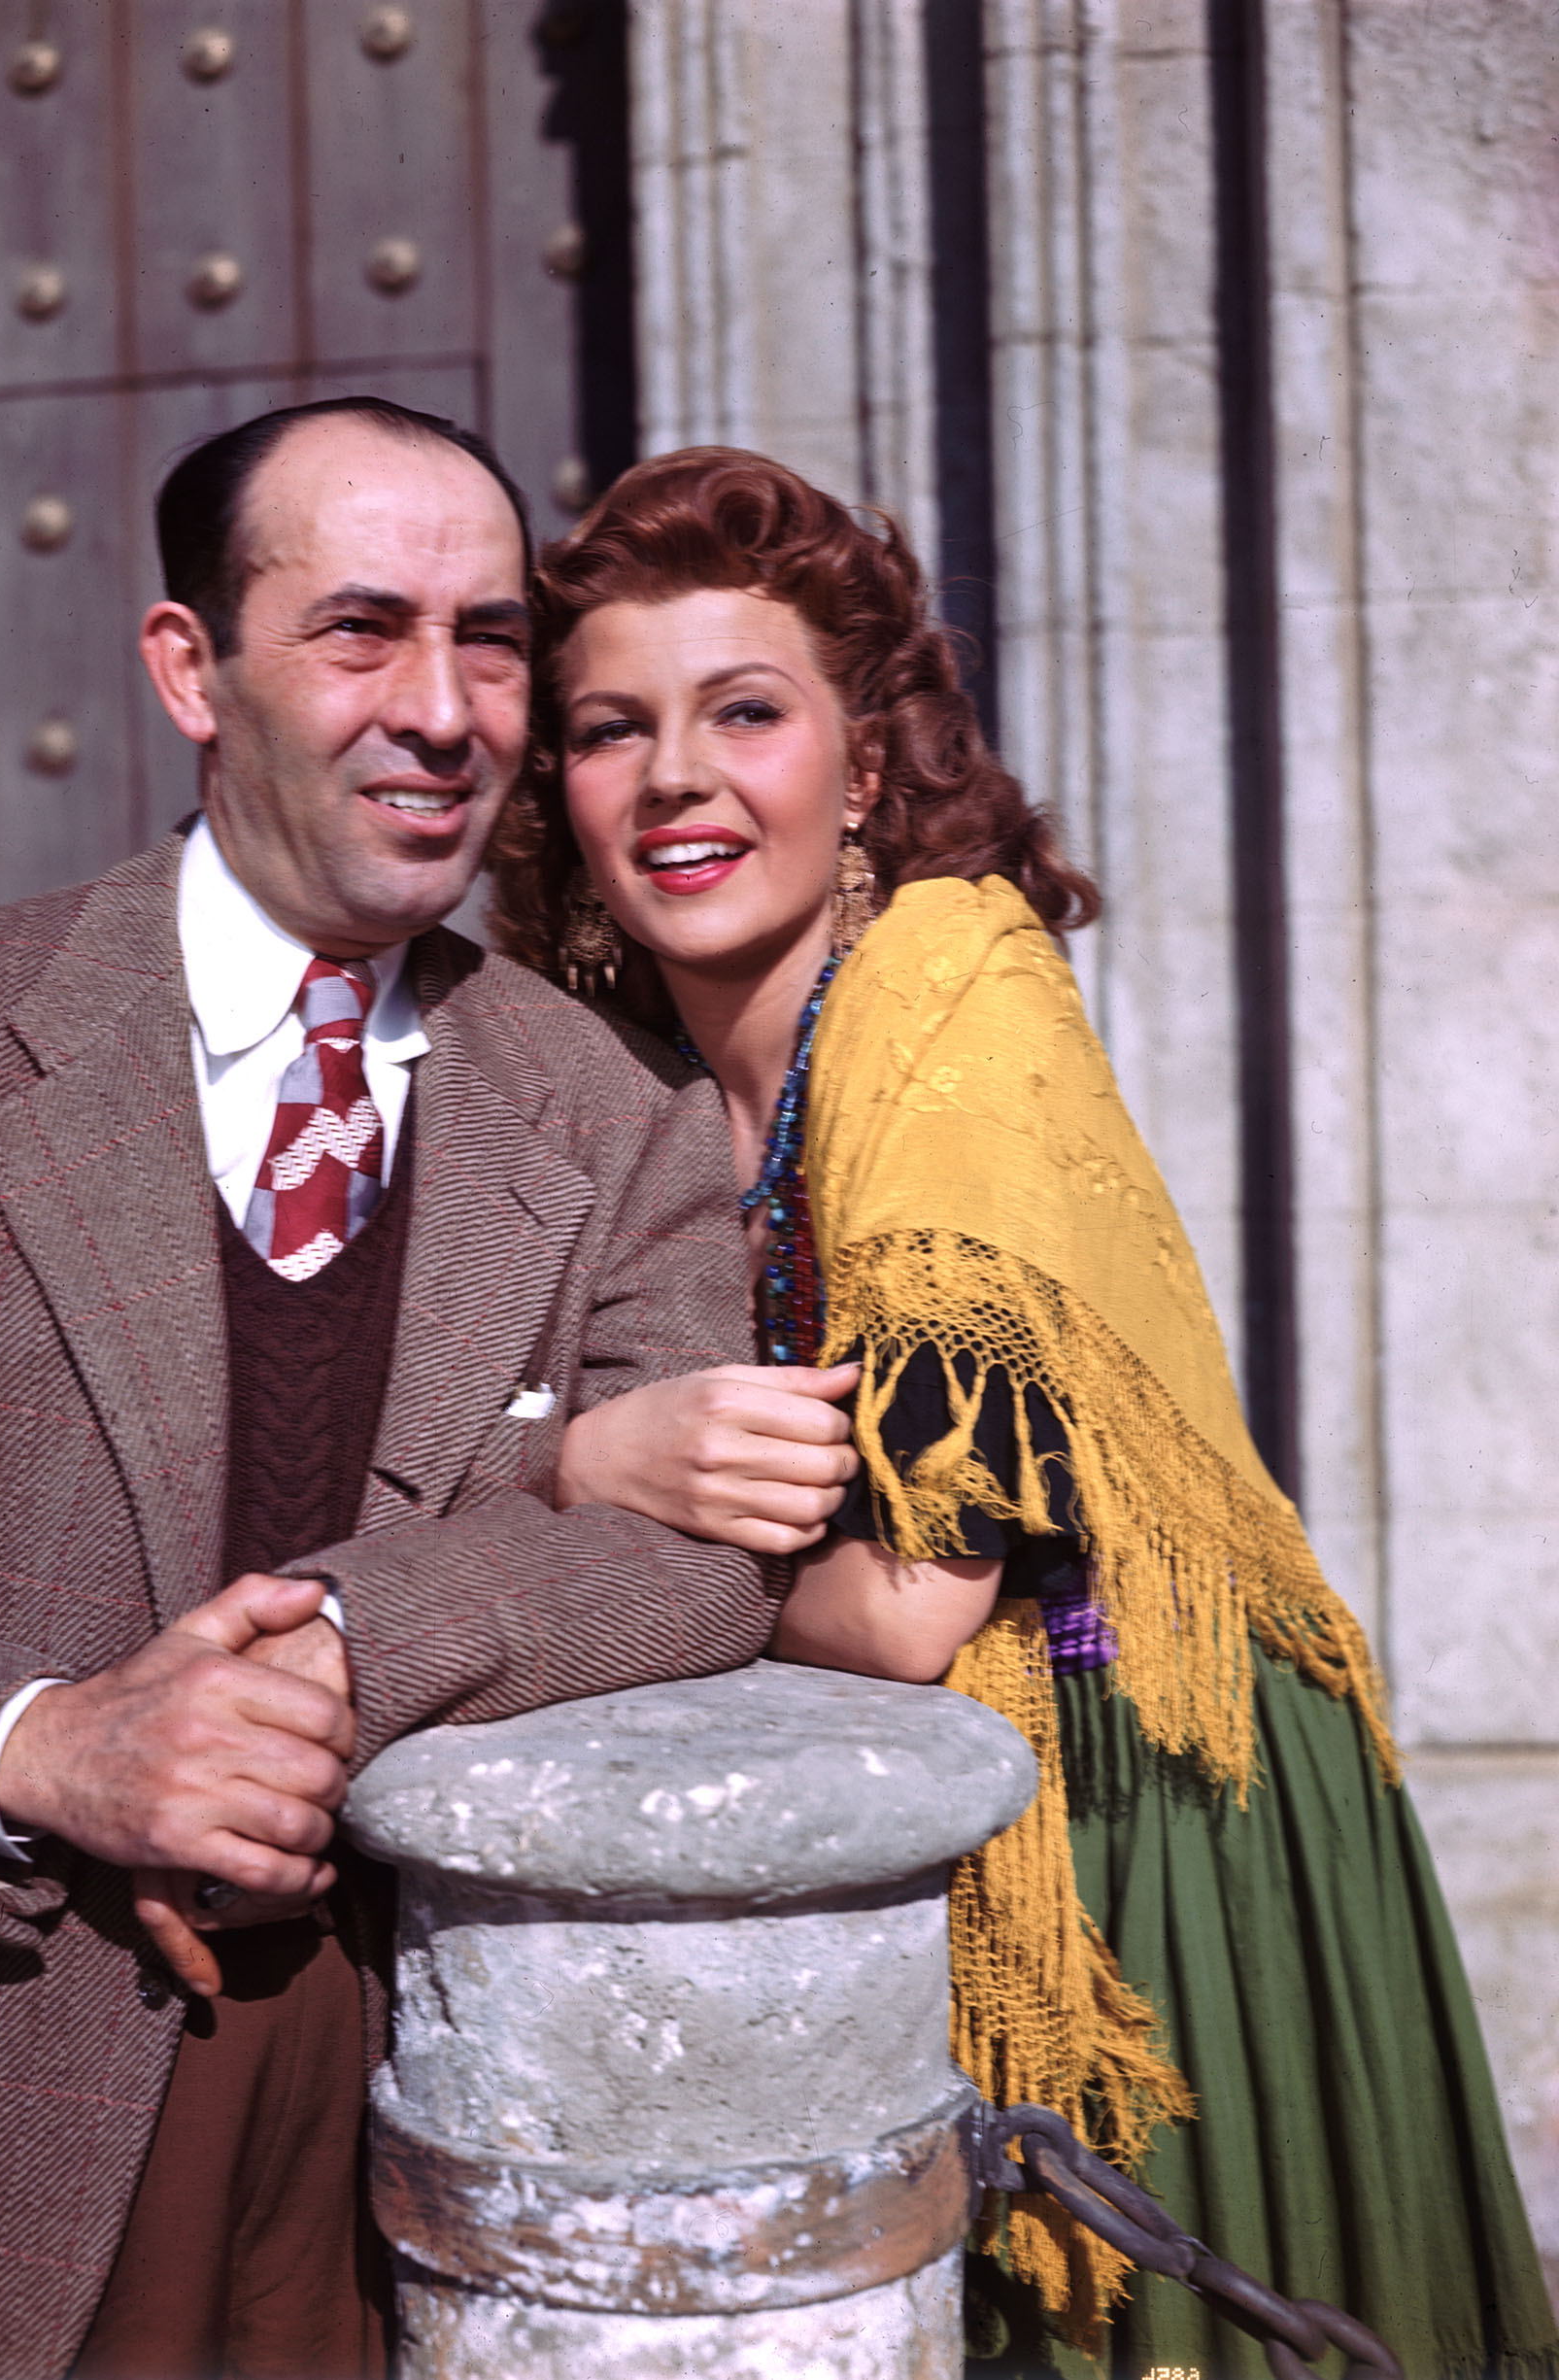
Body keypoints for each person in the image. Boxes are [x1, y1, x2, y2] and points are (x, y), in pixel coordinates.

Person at [0, 400, 782, 2380]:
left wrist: (351, 1646)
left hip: (441, 2097)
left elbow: (699, 1563)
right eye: (361, 630)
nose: (441, 710)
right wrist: (55, 1748)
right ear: (191, 670)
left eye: (490, 641)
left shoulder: (613, 1110)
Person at [488, 445, 1559, 2379]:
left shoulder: (951, 999)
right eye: (609, 728)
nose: (673, 778)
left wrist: (580, 1486)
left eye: (746, 712)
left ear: (865, 766)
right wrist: (586, 1465)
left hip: (1146, 1823)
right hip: (915, 1816)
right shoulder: (615, 1083)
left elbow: (910, 1604)